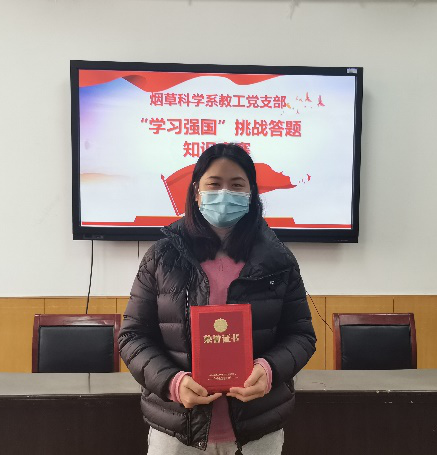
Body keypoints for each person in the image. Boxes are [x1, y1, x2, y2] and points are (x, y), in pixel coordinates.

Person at [119, 143, 316, 455]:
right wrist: (172, 383)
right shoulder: (162, 257)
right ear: (196, 192)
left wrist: (268, 370)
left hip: (257, 429)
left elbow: (301, 335)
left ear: (251, 194)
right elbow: (132, 337)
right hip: (177, 430)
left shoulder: (277, 259)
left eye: (237, 185)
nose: (225, 193)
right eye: (214, 184)